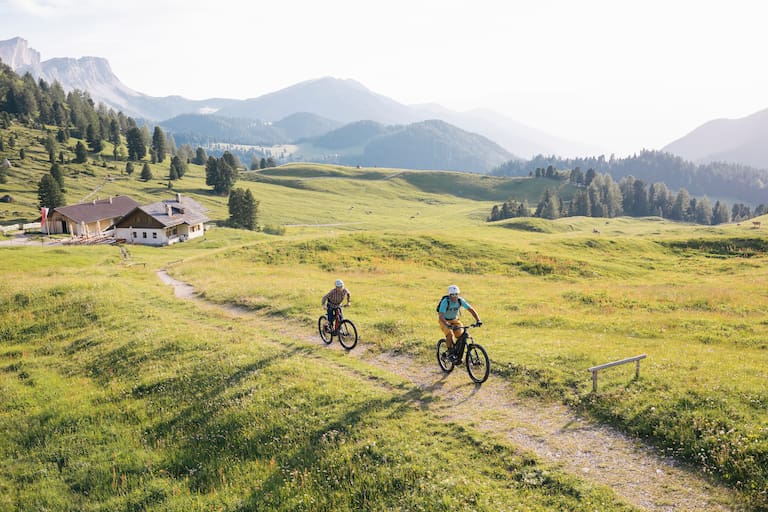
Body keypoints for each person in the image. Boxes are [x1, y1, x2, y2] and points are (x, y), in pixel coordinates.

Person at [437, 284, 481, 360]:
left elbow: (471, 310)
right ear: (449, 295)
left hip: (454, 320)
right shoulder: (445, 302)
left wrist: (478, 320)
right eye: (452, 295)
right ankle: (450, 352)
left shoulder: (460, 301)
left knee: (461, 336)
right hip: (444, 320)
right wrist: (447, 324)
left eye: (456, 294)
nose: (454, 296)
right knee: (450, 335)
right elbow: (441, 316)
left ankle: (457, 351)